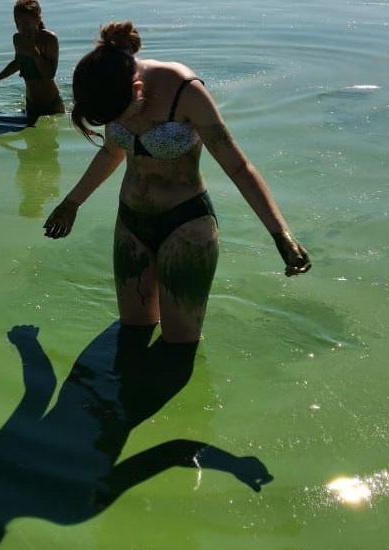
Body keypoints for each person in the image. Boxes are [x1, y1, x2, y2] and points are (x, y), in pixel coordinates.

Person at [43, 21, 311, 344]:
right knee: (132, 332)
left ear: (138, 90)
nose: (122, 125)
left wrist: (280, 234)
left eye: (123, 115)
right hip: (131, 222)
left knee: (179, 345)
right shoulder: (103, 82)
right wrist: (72, 202)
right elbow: (111, 154)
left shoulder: (185, 91)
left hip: (185, 225)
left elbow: (238, 167)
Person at [0, 0, 65, 124]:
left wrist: (35, 53)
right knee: (31, 142)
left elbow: (50, 74)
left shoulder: (49, 39)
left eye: (26, 23)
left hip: (52, 104)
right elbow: (18, 63)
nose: (21, 27)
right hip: (31, 104)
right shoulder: (17, 39)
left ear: (37, 20)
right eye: (17, 23)